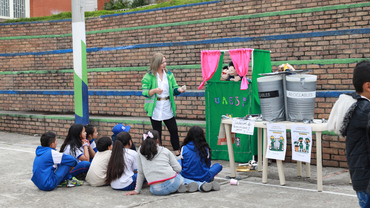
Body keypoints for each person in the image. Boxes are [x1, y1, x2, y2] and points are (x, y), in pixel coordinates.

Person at [327, 61, 370, 208]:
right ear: (368, 86)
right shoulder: (364, 110)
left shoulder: (355, 105)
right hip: (366, 179)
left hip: (361, 177)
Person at [124, 130, 198, 196]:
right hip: (173, 183)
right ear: (157, 141)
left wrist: (137, 190)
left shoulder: (140, 153)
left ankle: (178, 189)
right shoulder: (165, 150)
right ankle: (200, 185)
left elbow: (140, 172)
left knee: (156, 188)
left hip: (156, 190)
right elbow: (178, 169)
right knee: (180, 173)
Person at [141, 52, 186, 156]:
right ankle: (158, 153)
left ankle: (177, 152)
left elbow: (174, 89)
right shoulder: (149, 75)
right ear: (156, 63)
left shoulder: (169, 75)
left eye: (165, 62)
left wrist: (179, 90)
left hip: (167, 105)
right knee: (157, 133)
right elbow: (144, 92)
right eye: (162, 63)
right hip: (155, 107)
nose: (164, 64)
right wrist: (154, 90)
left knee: (173, 129)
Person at [180, 125, 222, 192]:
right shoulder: (205, 148)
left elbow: (181, 165)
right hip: (203, 177)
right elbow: (208, 166)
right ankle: (203, 184)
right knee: (219, 165)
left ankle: (187, 183)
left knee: (178, 162)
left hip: (186, 177)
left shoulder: (184, 148)